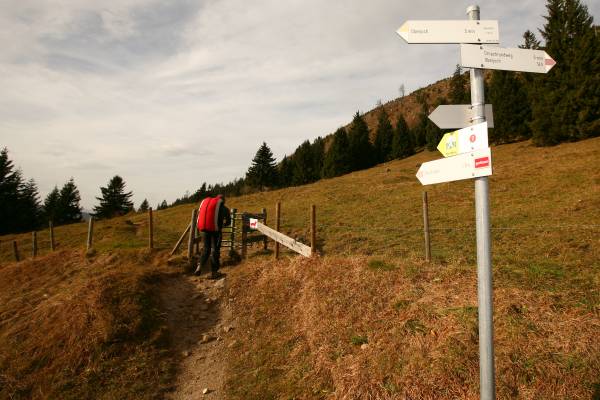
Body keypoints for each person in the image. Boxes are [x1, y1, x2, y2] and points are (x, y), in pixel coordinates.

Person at [195, 194, 231, 279]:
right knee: (215, 250)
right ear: (223, 201)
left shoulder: (208, 205)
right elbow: (228, 222)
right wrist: (223, 225)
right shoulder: (224, 208)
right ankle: (214, 272)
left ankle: (199, 266)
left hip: (204, 230)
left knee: (206, 249)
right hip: (216, 231)